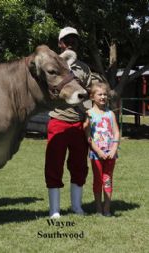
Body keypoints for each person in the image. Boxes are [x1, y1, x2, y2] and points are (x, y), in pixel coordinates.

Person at [45, 27, 92, 218]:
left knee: (79, 165)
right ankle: (54, 209)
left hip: (79, 123)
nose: (71, 43)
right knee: (54, 165)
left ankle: (76, 206)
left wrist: (91, 114)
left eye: (74, 40)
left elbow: (89, 94)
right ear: (60, 43)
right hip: (58, 120)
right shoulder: (50, 66)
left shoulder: (84, 68)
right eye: (67, 40)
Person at [85, 80, 119, 216]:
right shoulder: (89, 114)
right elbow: (87, 135)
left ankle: (107, 208)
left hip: (111, 154)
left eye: (105, 94)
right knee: (98, 179)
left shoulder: (111, 114)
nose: (103, 97)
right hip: (96, 154)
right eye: (99, 94)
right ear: (92, 97)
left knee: (107, 178)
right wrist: (98, 151)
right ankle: (98, 208)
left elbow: (116, 131)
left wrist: (114, 148)